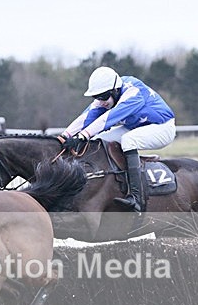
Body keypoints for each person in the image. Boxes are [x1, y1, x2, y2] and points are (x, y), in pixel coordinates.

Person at [59, 66, 176, 212]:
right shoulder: (108, 93)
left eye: (103, 97)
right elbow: (86, 117)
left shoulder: (133, 92)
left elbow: (107, 119)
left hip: (162, 127)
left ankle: (137, 198)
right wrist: (65, 136)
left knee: (129, 141)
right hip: (135, 127)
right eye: (96, 97)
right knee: (98, 141)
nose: (101, 101)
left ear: (115, 90)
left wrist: (82, 136)